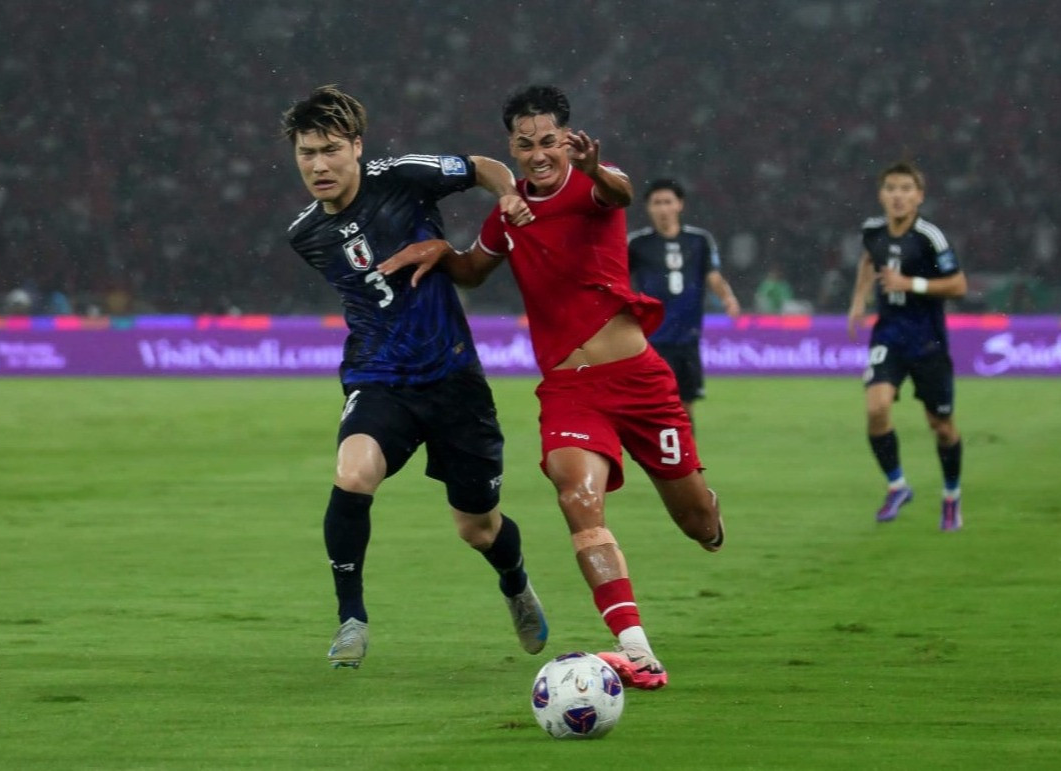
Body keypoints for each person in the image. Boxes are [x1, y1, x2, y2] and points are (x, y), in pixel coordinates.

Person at [379, 85, 724, 690]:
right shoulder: (507, 216)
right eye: (524, 144)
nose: (537, 154)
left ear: (567, 140)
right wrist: (442, 249)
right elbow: (474, 272)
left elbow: (619, 192)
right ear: (510, 147)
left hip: (639, 381)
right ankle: (637, 649)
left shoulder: (593, 183)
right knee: (577, 501)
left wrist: (593, 168)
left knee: (699, 526)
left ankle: (705, 504)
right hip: (569, 390)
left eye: (548, 142)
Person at [280, 85, 547, 669]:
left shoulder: (403, 175)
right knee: (353, 473)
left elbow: (484, 167)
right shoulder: (305, 235)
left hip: (453, 378)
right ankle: (351, 619)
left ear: (356, 146)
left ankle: (516, 583)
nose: (319, 166)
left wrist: (507, 197)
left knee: (477, 527)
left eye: (330, 150)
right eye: (306, 154)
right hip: (379, 378)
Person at [846, 160, 967, 531]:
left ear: (919, 196)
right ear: (881, 195)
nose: (897, 196)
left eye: (905, 189)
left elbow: (959, 286)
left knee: (941, 426)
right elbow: (870, 260)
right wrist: (858, 300)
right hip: (889, 335)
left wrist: (910, 284)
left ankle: (951, 496)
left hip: (927, 342)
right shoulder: (873, 231)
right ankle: (897, 486)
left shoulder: (931, 237)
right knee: (876, 408)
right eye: (891, 189)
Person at [627, 179, 741, 427]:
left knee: (686, 406)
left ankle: (688, 462)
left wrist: (727, 298)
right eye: (656, 203)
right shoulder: (637, 244)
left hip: (688, 337)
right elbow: (618, 279)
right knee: (656, 405)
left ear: (679, 205)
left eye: (668, 201)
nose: (663, 208)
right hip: (651, 338)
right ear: (648, 208)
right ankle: (661, 459)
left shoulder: (698, 240)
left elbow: (713, 275)